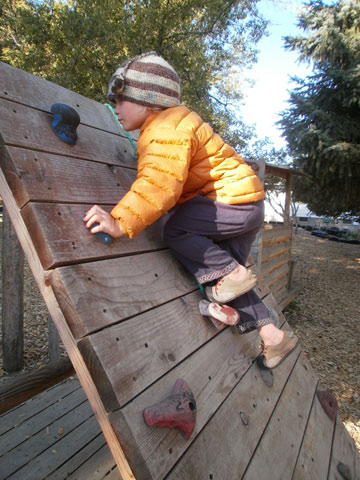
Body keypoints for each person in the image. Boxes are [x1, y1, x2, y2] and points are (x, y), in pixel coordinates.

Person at [83, 52, 298, 368]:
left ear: (149, 100)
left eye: (121, 99)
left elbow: (159, 183)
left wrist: (119, 221)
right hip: (246, 205)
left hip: (228, 202)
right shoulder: (177, 122)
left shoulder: (163, 128)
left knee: (178, 230)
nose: (115, 108)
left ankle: (232, 277)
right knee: (224, 284)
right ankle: (272, 336)